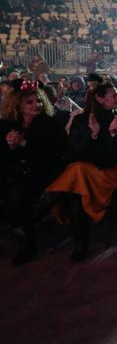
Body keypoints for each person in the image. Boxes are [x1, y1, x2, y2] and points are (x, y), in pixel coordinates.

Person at [46, 81, 117, 261]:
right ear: (100, 99)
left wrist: (112, 132)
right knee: (78, 182)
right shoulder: (81, 119)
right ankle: (81, 241)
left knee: (77, 172)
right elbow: (75, 150)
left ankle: (52, 201)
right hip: (86, 172)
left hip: (110, 171)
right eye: (114, 95)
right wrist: (93, 136)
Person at [0, 80, 68, 265]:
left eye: (38, 101)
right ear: (17, 105)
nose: (36, 105)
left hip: (43, 172)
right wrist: (10, 146)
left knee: (17, 194)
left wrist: (23, 145)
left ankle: (27, 240)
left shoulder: (49, 124)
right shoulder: (7, 124)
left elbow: (53, 156)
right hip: (13, 171)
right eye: (29, 102)